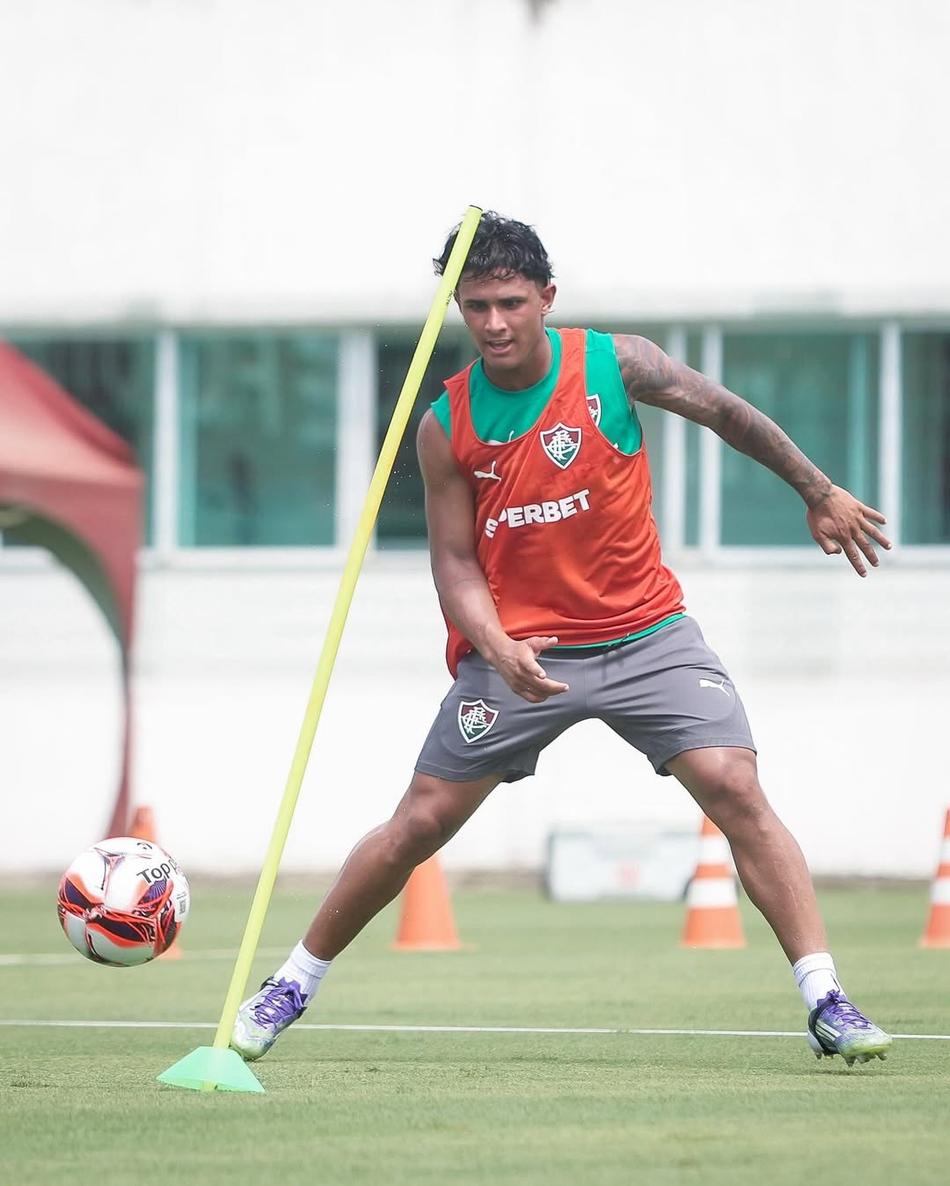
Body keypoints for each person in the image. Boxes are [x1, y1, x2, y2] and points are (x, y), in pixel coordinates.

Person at [231, 212, 892, 1068]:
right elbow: (454, 562)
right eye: (476, 306)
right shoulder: (445, 424)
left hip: (648, 634)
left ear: (547, 297)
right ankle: (290, 984)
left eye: (510, 302)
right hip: (522, 652)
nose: (494, 323)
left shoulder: (618, 365)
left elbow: (728, 413)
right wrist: (495, 643)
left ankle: (827, 1000)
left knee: (735, 786)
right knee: (420, 821)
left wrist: (817, 489)